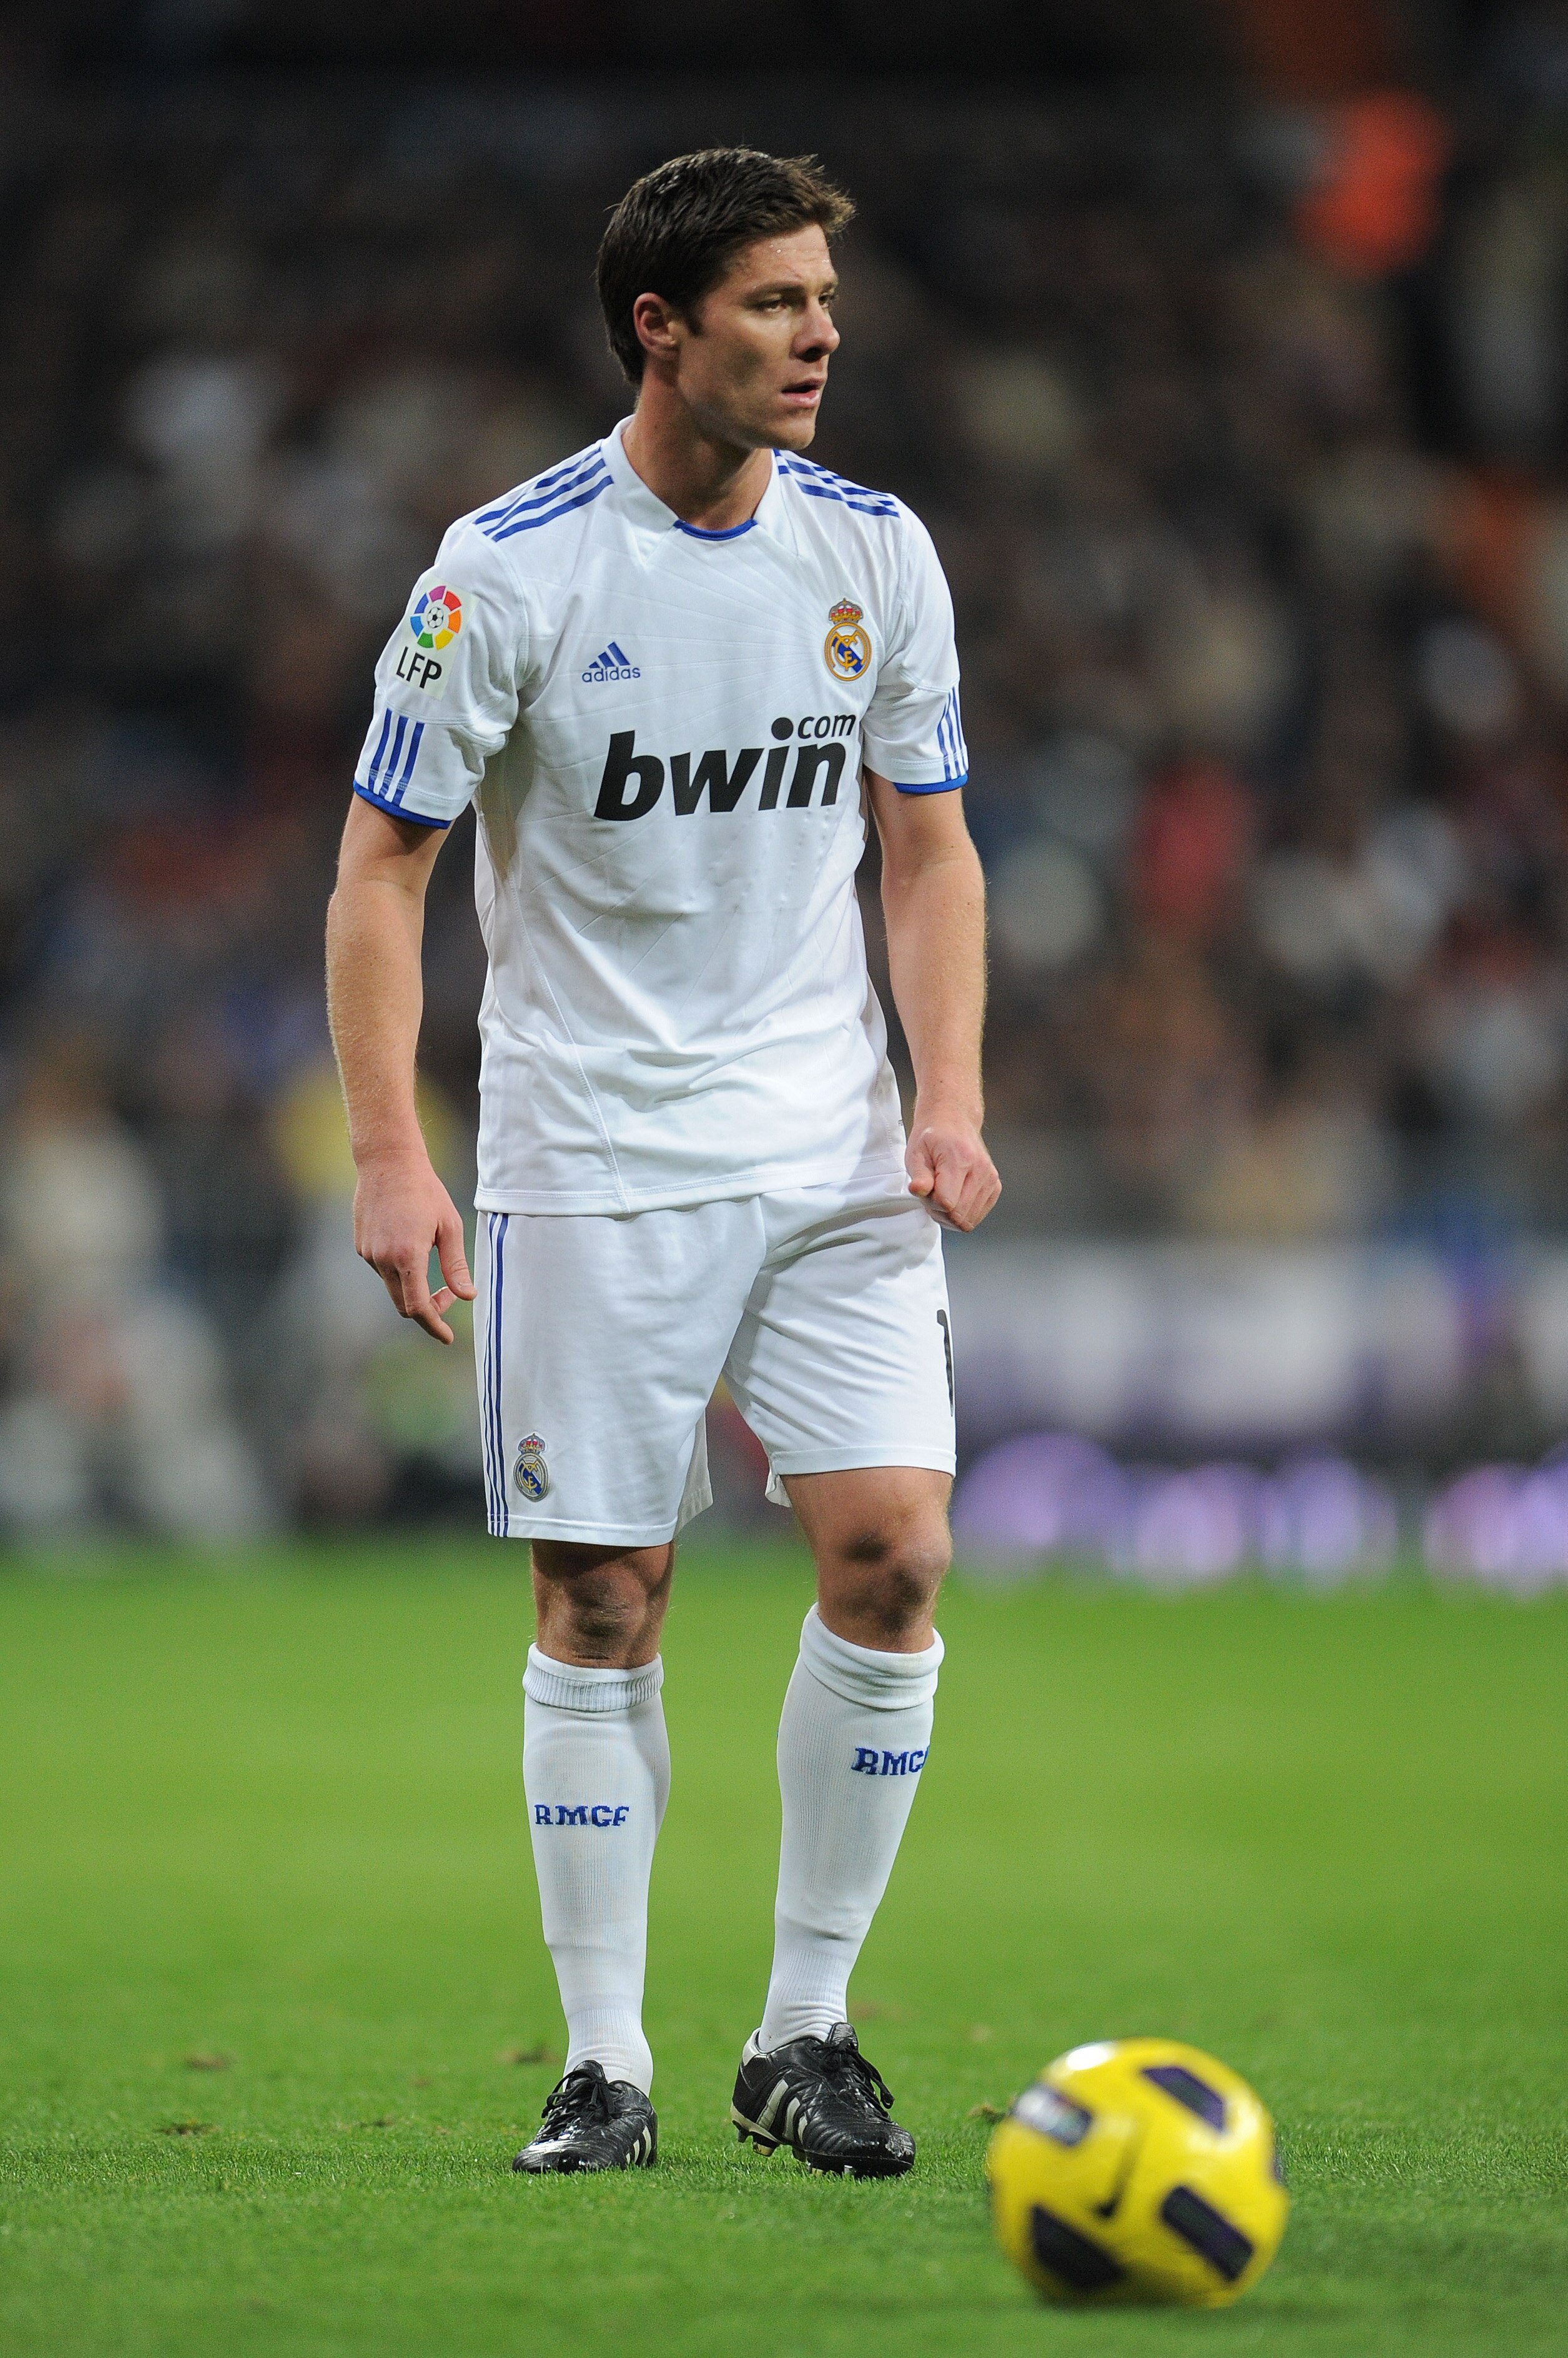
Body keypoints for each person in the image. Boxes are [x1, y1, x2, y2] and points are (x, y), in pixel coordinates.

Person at [325, 147, 999, 2180]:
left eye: (823, 304)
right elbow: (382, 870)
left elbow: (933, 844)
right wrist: (390, 1151)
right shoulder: (506, 571)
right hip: (591, 1157)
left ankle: (806, 2029)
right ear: (662, 326)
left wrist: (947, 1094)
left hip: (831, 1153)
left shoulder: (876, 551)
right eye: (777, 305)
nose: (818, 338)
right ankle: (603, 2064)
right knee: (606, 1598)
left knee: (896, 1552)